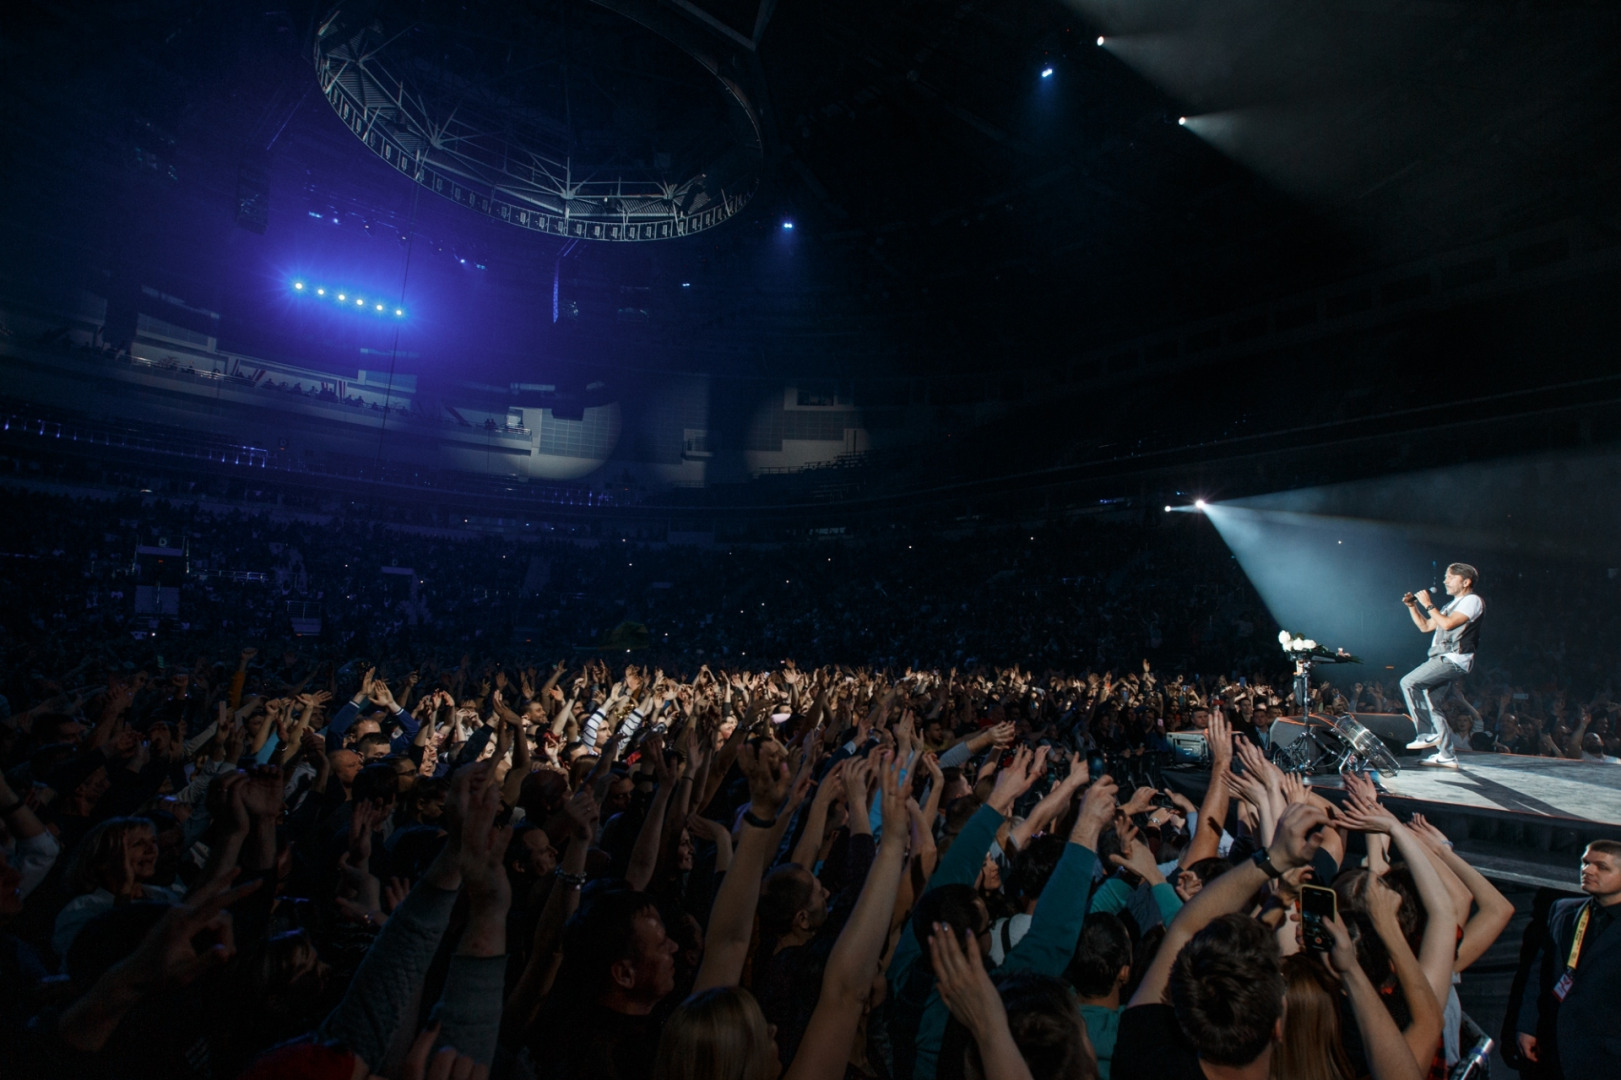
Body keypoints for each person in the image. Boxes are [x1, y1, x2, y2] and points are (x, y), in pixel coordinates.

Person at [1516, 840, 1621, 1080]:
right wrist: (1528, 1025)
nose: (1587, 871)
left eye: (1601, 867)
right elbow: (1539, 974)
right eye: (1585, 863)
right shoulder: (1563, 910)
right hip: (1555, 1049)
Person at [1400, 563, 1484, 769]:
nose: (1445, 581)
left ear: (1466, 582)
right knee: (1431, 703)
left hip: (1453, 658)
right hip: (1442, 658)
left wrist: (1428, 603)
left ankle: (1426, 733)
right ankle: (1446, 755)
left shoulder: (1472, 600)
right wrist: (1413, 606)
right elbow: (1425, 626)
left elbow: (1447, 625)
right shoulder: (1449, 606)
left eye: (1450, 577)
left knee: (1409, 682)